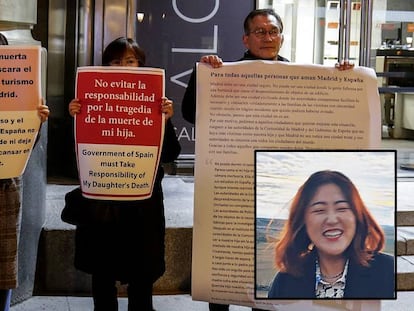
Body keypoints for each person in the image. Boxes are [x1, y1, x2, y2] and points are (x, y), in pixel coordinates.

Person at [181, 8, 355, 311]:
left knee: (268, 255)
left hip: (275, 181)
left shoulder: (300, 75)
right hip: (231, 179)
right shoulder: (226, 70)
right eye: (259, 32)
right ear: (246, 38)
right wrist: (206, 76)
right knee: (225, 253)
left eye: (273, 31)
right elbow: (189, 113)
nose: (267, 37)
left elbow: (327, 114)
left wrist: (342, 78)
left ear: (282, 38)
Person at [67, 37, 181, 311]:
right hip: (102, 202)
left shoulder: (156, 101)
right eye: (117, 61)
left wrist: (164, 120)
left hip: (142, 204)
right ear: (106, 65)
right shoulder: (89, 99)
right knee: (102, 273)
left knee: (142, 275)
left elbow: (170, 155)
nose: (124, 67)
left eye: (131, 61)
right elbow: (76, 161)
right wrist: (78, 118)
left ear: (141, 64)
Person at [267, 170, 395, 299]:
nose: (332, 219)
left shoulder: (389, 272)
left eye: (342, 208)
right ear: (303, 220)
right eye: (319, 210)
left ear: (357, 216)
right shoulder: (285, 282)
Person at [0, 33, 50, 311]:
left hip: (5, 187)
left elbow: (25, 149)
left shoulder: (17, 92)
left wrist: (35, 121)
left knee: (4, 267)